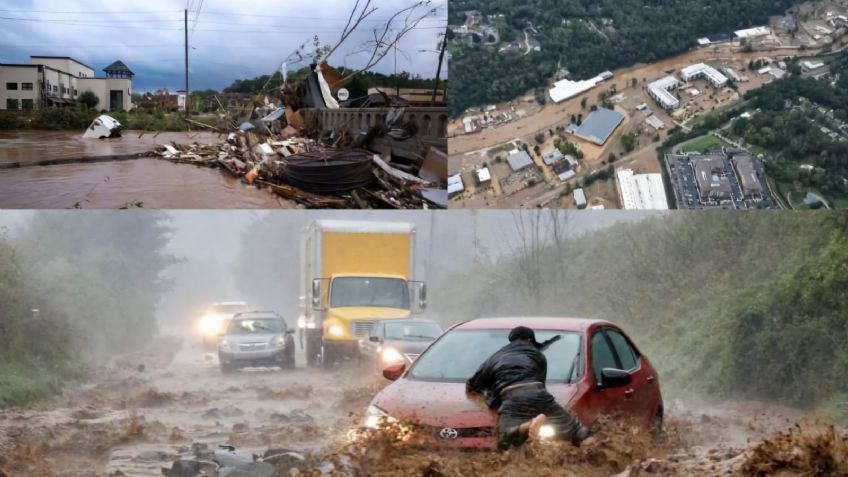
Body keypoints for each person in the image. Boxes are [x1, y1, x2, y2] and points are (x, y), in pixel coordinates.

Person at [466, 326, 593, 451]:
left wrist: (489, 396)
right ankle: (597, 455)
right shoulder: (538, 355)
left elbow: (472, 385)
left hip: (511, 396)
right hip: (538, 392)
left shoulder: (495, 358)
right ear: (530, 341)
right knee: (578, 430)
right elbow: (541, 384)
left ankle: (526, 426)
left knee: (505, 440)